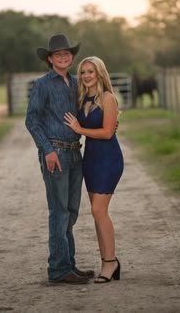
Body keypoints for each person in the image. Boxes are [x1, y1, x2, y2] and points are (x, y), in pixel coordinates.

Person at [25, 34, 94, 285]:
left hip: (76, 151)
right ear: (50, 59)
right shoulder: (43, 84)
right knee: (59, 212)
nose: (64, 57)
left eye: (67, 53)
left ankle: (69, 265)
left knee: (72, 212)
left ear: (71, 57)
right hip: (56, 152)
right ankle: (58, 269)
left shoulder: (77, 83)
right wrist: (48, 150)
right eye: (58, 54)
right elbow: (31, 120)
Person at [64, 56, 124, 284]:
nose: (86, 76)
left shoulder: (108, 98)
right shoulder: (81, 99)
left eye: (91, 71)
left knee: (100, 211)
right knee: (96, 212)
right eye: (83, 72)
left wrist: (80, 128)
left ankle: (110, 263)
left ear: (100, 73)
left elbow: (108, 133)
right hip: (89, 159)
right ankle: (109, 261)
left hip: (108, 159)